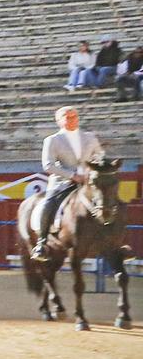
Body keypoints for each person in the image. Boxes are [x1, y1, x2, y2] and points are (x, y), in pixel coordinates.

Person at [31, 105, 105, 260]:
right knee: (49, 204)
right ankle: (41, 242)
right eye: (67, 117)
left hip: (88, 181)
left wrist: (92, 171)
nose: (72, 119)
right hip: (62, 182)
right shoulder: (52, 140)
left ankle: (117, 242)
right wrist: (72, 176)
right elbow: (48, 165)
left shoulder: (90, 137)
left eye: (74, 116)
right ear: (59, 121)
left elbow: (100, 156)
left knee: (109, 201)